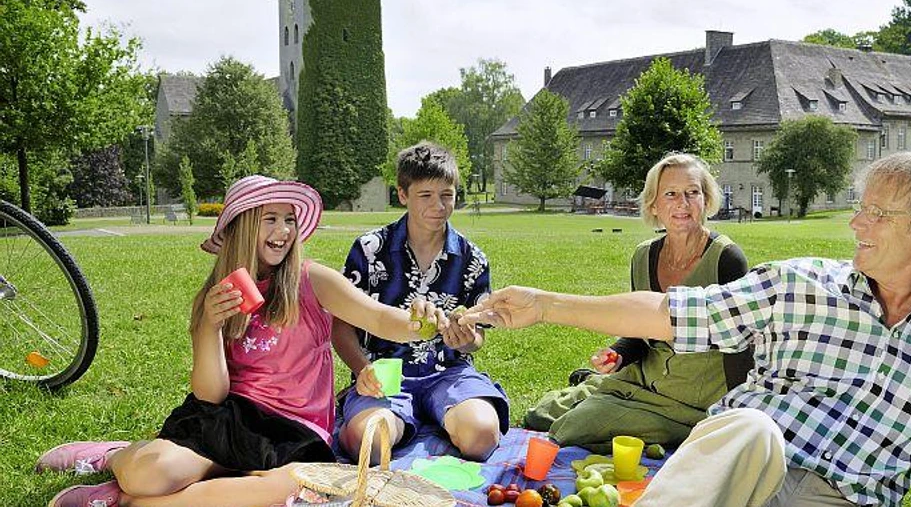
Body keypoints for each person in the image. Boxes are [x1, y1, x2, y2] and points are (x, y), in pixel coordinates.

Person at [461, 151, 911, 507]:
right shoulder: (801, 282)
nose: (854, 222)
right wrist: (546, 304)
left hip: (842, 496)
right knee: (751, 426)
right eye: (859, 206)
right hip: (737, 464)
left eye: (877, 213)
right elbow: (670, 314)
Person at [37, 175, 448, 507]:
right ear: (243, 226)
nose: (284, 231)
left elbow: (379, 317)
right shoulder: (216, 296)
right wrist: (208, 327)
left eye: (289, 220)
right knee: (150, 472)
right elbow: (210, 395)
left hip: (295, 433)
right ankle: (113, 456)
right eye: (270, 219)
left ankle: (125, 501)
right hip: (232, 417)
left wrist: (420, 323)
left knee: (297, 486)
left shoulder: (312, 280)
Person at [524, 152, 753, 453]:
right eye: (671, 194)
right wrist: (619, 353)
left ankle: (600, 395)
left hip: (689, 400)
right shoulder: (644, 255)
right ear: (653, 205)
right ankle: (595, 385)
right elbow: (640, 330)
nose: (683, 203)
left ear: (706, 199)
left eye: (692, 192)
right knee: (540, 414)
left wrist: (734, 418)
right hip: (642, 376)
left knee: (571, 428)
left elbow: (742, 346)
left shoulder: (727, 259)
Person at [332, 141, 508, 463]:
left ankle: (437, 416)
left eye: (447, 195)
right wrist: (362, 370)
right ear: (402, 194)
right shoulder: (369, 250)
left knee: (482, 436)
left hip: (450, 373)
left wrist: (467, 340)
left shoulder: (472, 258)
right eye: (425, 195)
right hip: (385, 374)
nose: (438, 206)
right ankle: (382, 417)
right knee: (369, 444)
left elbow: (478, 337)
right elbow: (341, 328)